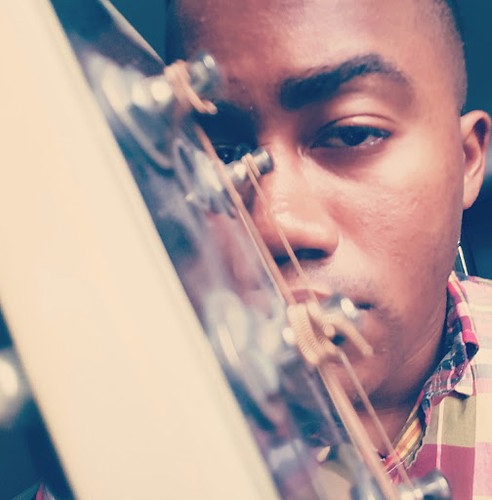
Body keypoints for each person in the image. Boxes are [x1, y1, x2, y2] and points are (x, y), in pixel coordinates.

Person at [166, 0, 492, 497]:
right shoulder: (110, 435)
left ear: (466, 160)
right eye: (222, 155)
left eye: (352, 134)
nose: (274, 225)